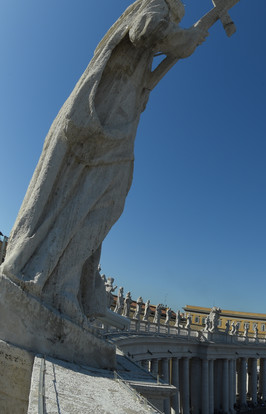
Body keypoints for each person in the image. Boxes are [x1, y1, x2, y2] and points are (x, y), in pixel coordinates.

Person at [0, 0, 206, 323]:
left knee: (103, 197)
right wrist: (184, 39)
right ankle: (60, 286)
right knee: (104, 197)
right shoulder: (157, 6)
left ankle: (70, 288)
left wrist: (184, 44)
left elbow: (146, 80)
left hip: (111, 127)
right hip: (101, 123)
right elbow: (147, 31)